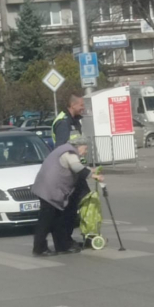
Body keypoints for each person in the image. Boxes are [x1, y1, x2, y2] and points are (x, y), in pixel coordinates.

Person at [32, 135, 102, 255]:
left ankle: (62, 246)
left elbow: (74, 166)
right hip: (49, 191)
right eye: (85, 149)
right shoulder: (69, 152)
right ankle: (39, 248)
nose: (85, 152)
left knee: (58, 219)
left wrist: (91, 170)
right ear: (78, 146)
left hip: (48, 189)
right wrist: (94, 176)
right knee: (46, 221)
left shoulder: (64, 149)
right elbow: (76, 167)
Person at [52, 94, 87, 244]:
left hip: (76, 170)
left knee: (79, 202)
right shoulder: (63, 122)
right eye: (81, 105)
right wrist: (77, 152)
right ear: (72, 105)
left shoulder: (74, 121)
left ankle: (69, 237)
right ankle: (64, 239)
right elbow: (61, 149)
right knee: (70, 206)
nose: (83, 107)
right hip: (67, 172)